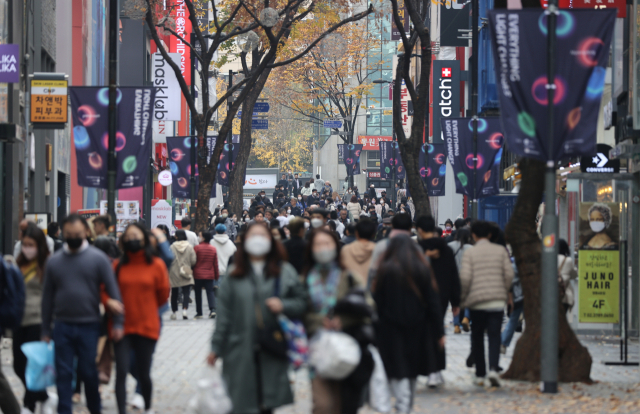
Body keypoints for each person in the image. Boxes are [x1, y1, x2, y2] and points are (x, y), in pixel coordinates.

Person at [208, 222, 307, 414]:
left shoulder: (284, 271)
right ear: (244, 242)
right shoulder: (233, 275)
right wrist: (215, 348)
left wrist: (283, 305)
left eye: (263, 235)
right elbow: (223, 317)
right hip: (239, 349)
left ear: (271, 241)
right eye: (253, 235)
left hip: (272, 347)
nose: (258, 240)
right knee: (240, 402)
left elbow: (302, 301)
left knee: (266, 402)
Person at [41, 214, 124, 414]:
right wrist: (45, 329)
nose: (73, 237)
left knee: (89, 373)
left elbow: (114, 293)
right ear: (63, 233)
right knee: (64, 374)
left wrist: (119, 323)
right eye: (69, 234)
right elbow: (47, 298)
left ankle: (95, 409)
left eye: (77, 234)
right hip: (62, 325)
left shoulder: (99, 259)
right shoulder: (54, 262)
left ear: (86, 232)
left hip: (90, 325)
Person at [302, 228, 373, 414]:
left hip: (346, 349)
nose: (322, 248)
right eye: (318, 244)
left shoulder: (348, 277)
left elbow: (368, 307)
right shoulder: (304, 279)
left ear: (335, 246)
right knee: (323, 405)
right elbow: (298, 312)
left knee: (344, 405)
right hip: (317, 350)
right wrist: (318, 321)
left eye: (327, 243)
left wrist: (344, 319)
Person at [372, 235, 444, 413]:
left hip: (390, 327)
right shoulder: (422, 268)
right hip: (419, 327)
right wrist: (439, 332)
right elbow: (433, 302)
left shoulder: (385, 270)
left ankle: (402, 404)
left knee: (397, 367)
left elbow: (376, 303)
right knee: (412, 369)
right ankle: (406, 406)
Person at [111, 223, 170, 414]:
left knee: (144, 373)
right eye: (127, 237)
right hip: (122, 325)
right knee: (121, 371)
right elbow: (107, 291)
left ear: (144, 239)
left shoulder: (156, 264)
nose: (131, 240)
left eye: (135, 236)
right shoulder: (117, 265)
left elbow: (163, 294)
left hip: (147, 325)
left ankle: (148, 407)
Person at [459, 221, 514, 387]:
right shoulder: (500, 251)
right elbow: (509, 274)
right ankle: (493, 369)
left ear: (473, 235)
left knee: (477, 336)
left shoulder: (471, 253)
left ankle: (480, 373)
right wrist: (506, 292)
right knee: (494, 335)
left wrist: (462, 298)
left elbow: (466, 278)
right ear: (490, 235)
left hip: (477, 302)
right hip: (497, 301)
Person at [13, 223, 56, 413]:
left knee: (33, 364)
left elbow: (54, 295)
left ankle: (28, 405)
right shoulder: (19, 264)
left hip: (38, 320)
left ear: (39, 245)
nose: (27, 248)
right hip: (19, 320)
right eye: (25, 244)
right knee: (18, 365)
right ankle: (44, 396)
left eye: (31, 244)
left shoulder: (49, 265)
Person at [415, 216, 460, 387]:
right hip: (442, 297)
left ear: (419, 230)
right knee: (438, 331)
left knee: (425, 332)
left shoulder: (417, 249)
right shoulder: (446, 250)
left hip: (420, 296)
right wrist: (456, 301)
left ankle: (430, 369)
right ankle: (436, 370)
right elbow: (453, 276)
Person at [448, 228, 474, 333]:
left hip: (453, 278)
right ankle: (466, 318)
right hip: (468, 276)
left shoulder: (450, 246)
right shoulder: (471, 248)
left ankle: (456, 325)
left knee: (455, 303)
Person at [169, 230, 197, 320]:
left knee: (174, 292)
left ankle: (174, 312)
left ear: (176, 237)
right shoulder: (189, 246)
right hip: (186, 270)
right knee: (186, 292)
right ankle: (184, 310)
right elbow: (193, 260)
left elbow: (169, 258)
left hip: (174, 271)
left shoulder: (172, 246)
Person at [340, 218, 376, 286]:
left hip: (351, 291)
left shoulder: (345, 250)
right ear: (373, 234)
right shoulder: (378, 251)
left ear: (356, 233)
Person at [193, 231, 219, 319]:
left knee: (198, 293)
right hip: (209, 274)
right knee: (210, 292)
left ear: (203, 238)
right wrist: (216, 276)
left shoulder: (197, 248)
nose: (198, 237)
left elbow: (193, 261)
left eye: (199, 235)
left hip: (198, 274)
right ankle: (212, 310)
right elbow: (215, 264)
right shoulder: (213, 249)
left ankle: (199, 312)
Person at [501, 258, 523, 354]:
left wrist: (510, 299)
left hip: (517, 297)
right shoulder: (534, 265)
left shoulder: (514, 267)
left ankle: (503, 343)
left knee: (513, 320)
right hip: (530, 296)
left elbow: (510, 284)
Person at [558, 239, 578, 316]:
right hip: (564, 295)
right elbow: (574, 275)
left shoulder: (550, 259)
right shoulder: (568, 260)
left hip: (551, 295)